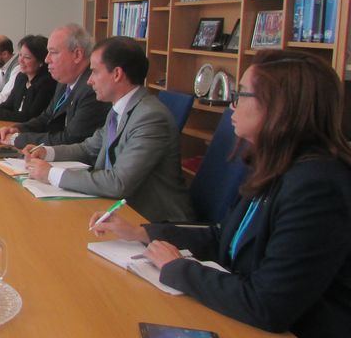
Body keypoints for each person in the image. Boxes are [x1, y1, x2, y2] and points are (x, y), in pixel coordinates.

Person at [90, 50, 351, 337]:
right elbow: (223, 236)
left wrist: (178, 268)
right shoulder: (274, 163)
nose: (232, 104)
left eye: (241, 94)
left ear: (279, 106)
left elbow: (269, 305)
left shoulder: (317, 187)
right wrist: (141, 233)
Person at [25, 36, 192, 222]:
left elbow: (118, 183)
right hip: (115, 209)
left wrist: (51, 174)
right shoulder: (119, 109)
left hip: (152, 221)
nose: (89, 81)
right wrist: (47, 152)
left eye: (95, 72)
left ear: (117, 74)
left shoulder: (150, 118)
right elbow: (89, 148)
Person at [0, 24, 110, 148]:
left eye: (53, 52)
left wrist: (18, 139)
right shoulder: (64, 82)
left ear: (77, 55)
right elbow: (47, 117)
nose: (47, 59)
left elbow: (70, 139)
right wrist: (18, 129)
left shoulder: (92, 88)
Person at [0, 35, 55, 122]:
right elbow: (9, 104)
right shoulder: (21, 77)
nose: (21, 60)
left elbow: (29, 117)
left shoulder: (47, 83)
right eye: (20, 55)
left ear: (41, 62)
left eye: (27, 57)